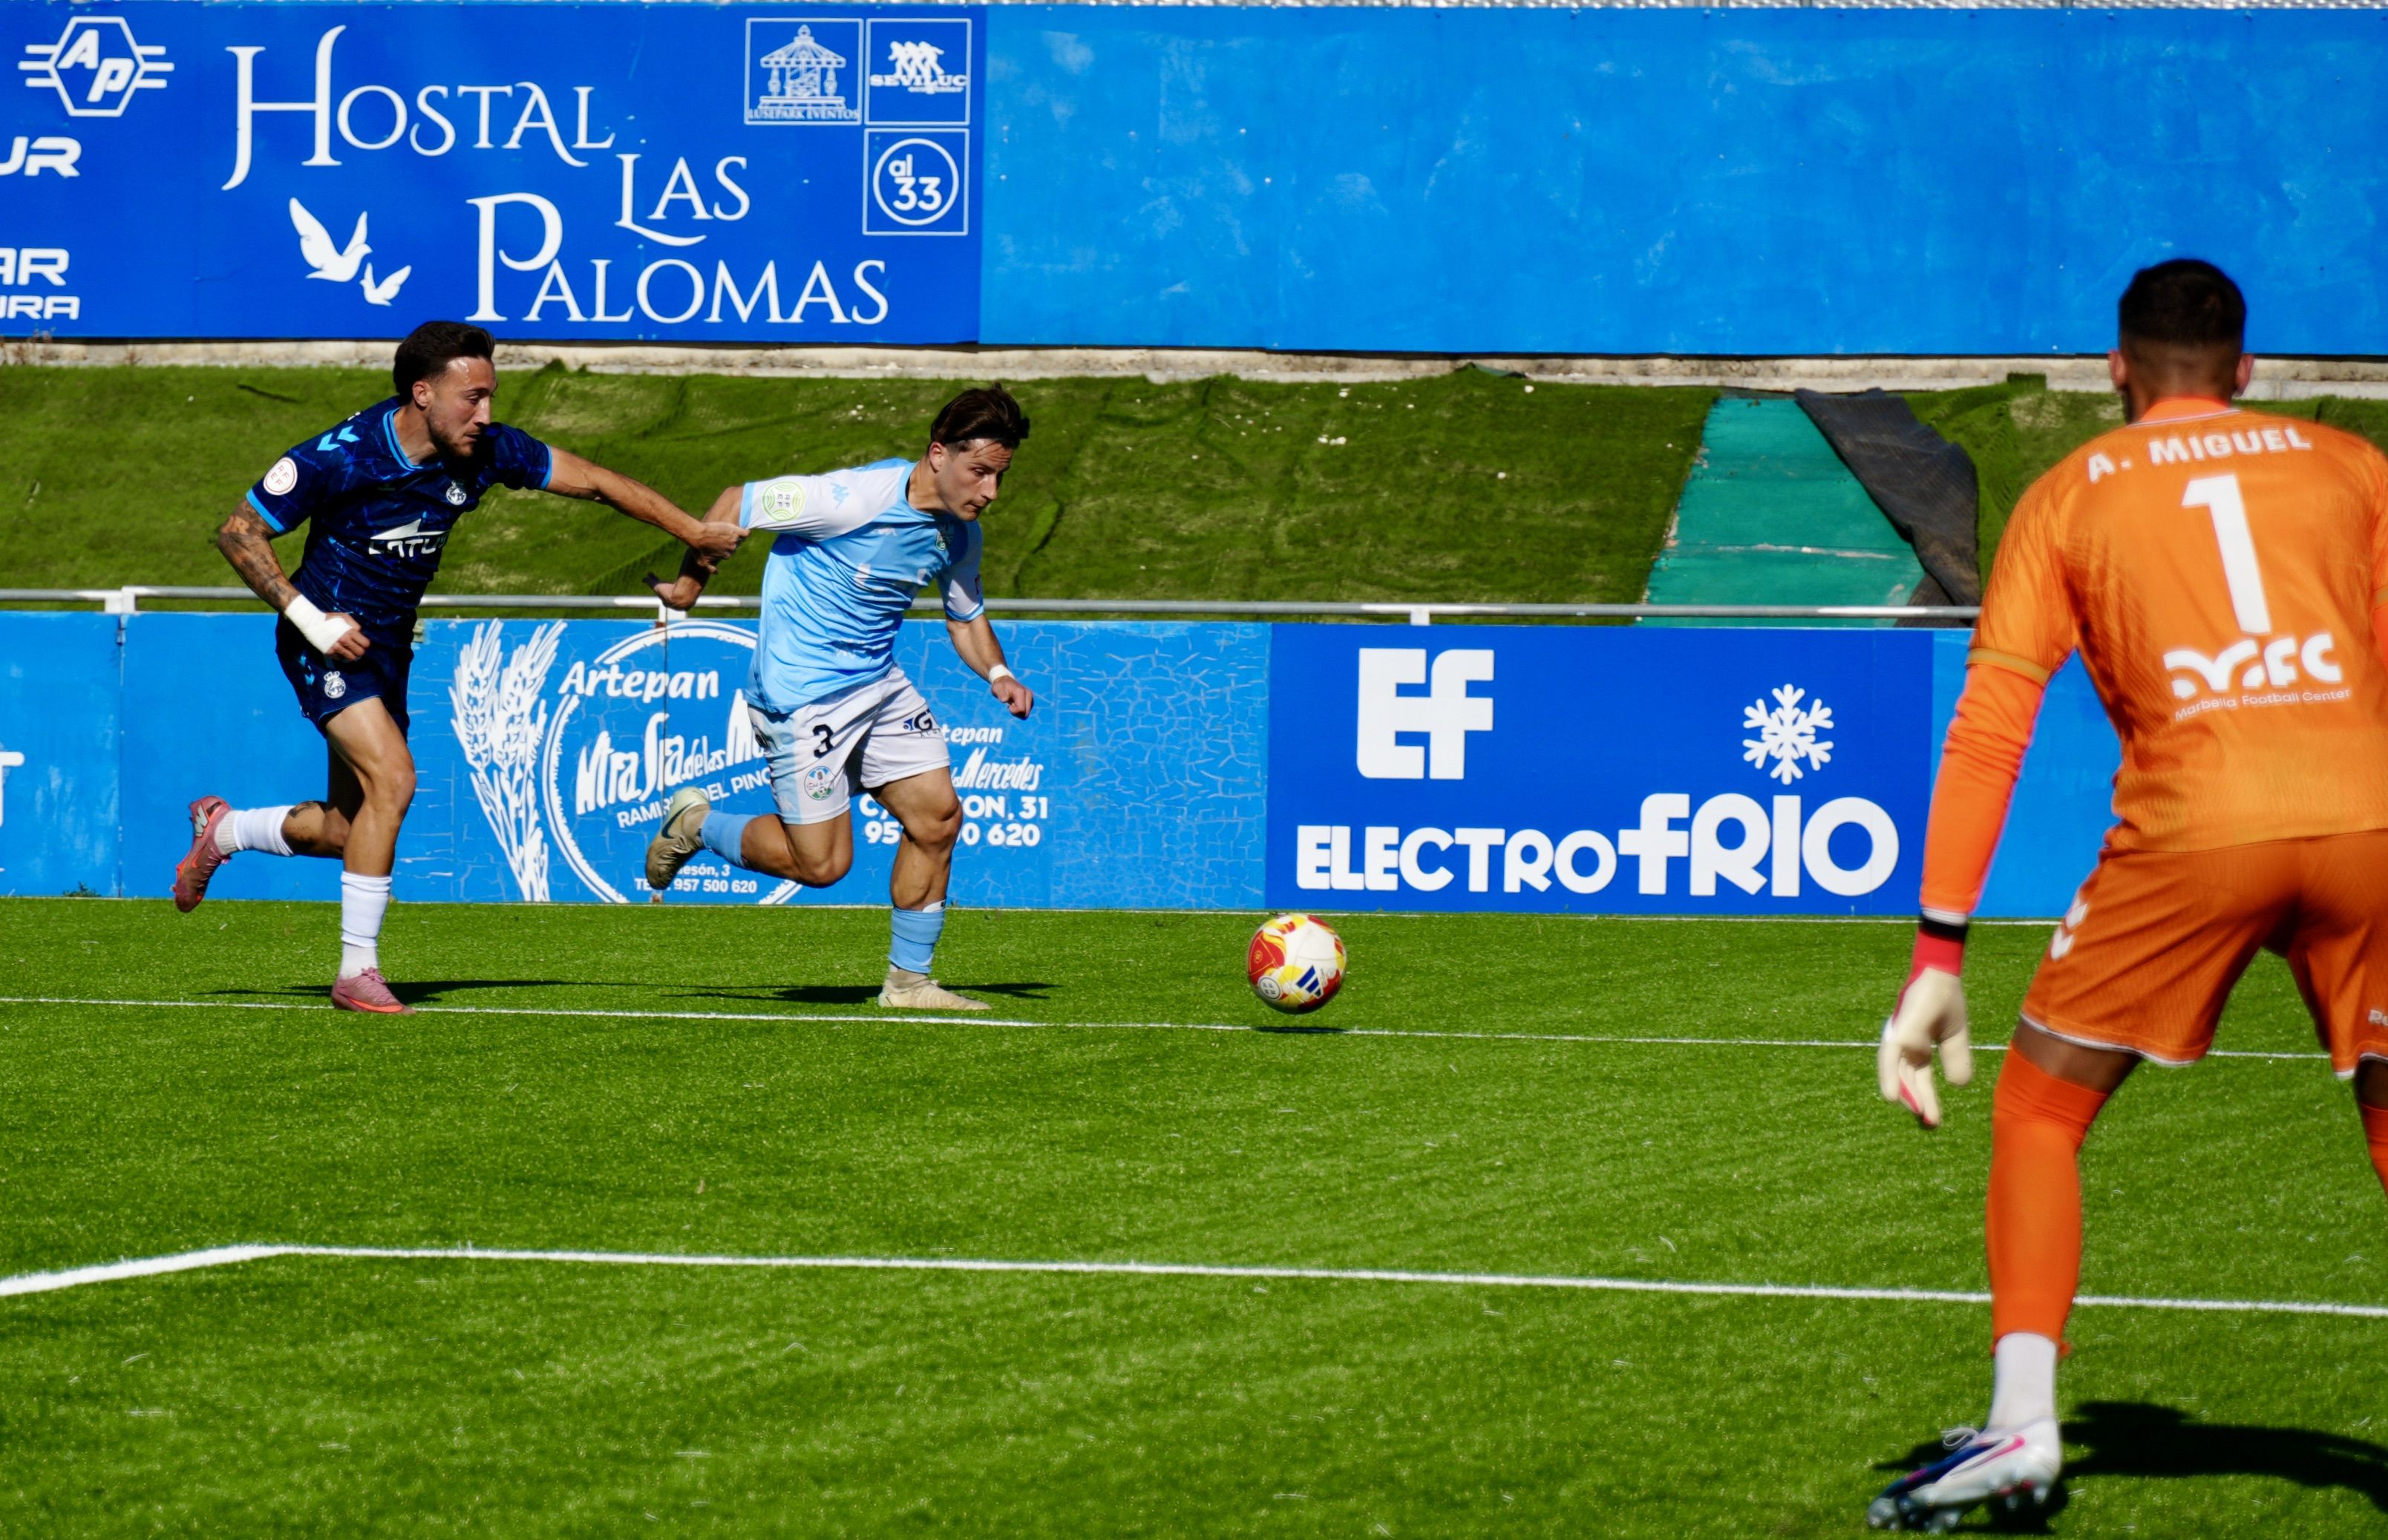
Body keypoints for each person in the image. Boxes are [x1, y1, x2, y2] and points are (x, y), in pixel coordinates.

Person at [1868, 259, 2388, 1530]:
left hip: (2196, 823)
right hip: (2372, 817)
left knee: (2040, 1109)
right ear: (2245, 370)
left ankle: (2022, 1425)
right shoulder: (2352, 467)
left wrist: (1938, 951)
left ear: (2116, 368)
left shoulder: (2070, 491)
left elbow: (1991, 724)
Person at [171, 321, 742, 1013]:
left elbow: (593, 481)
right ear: (422, 394)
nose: (486, 413)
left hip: (387, 647)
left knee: (349, 829)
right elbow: (239, 532)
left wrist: (693, 531)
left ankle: (226, 830)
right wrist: (313, 620)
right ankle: (356, 972)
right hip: (321, 640)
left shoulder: (487, 450)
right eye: (472, 398)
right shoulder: (341, 455)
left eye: (491, 396)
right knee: (394, 780)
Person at [642, 385, 1035, 1012]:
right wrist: (689, 587)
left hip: (877, 685)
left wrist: (997, 673)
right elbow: (738, 501)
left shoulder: (960, 536)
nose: (990, 491)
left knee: (937, 818)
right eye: (980, 472)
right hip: (802, 695)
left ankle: (909, 983)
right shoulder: (851, 499)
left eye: (1000, 476)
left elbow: (964, 616)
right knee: (822, 867)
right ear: (939, 454)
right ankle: (695, 824)